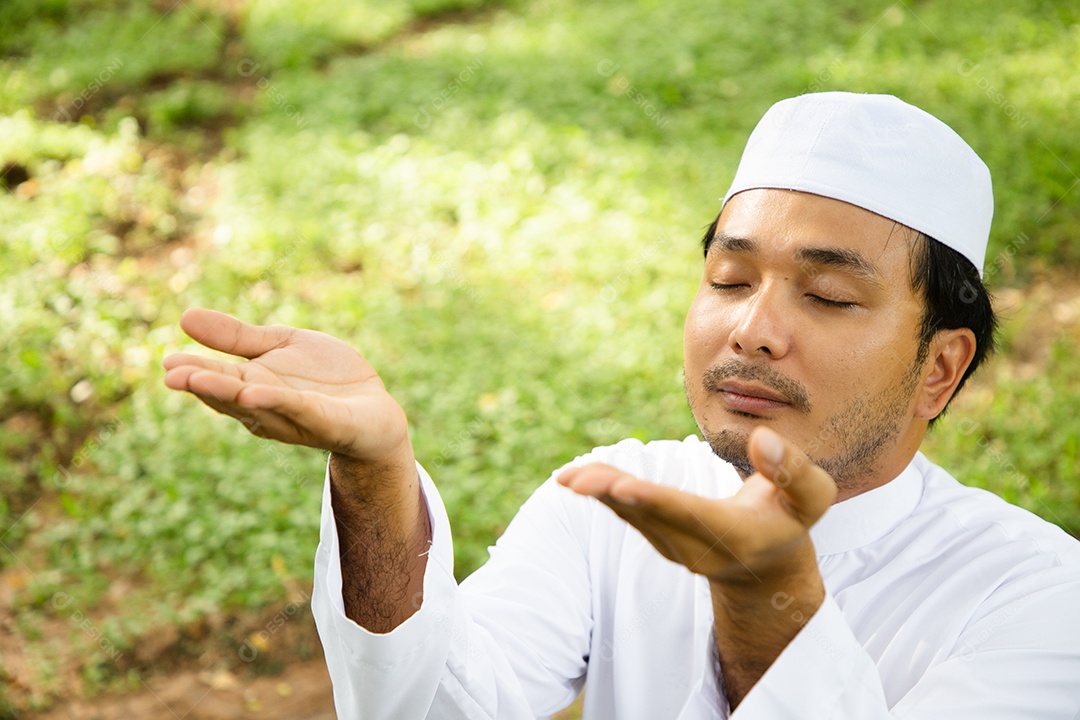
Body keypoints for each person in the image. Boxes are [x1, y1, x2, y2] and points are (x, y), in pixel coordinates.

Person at [163, 92, 1080, 718]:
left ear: (940, 369)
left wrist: (768, 597)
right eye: (729, 277)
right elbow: (436, 708)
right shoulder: (614, 499)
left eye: (829, 296)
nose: (754, 330)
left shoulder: (1037, 595)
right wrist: (375, 478)